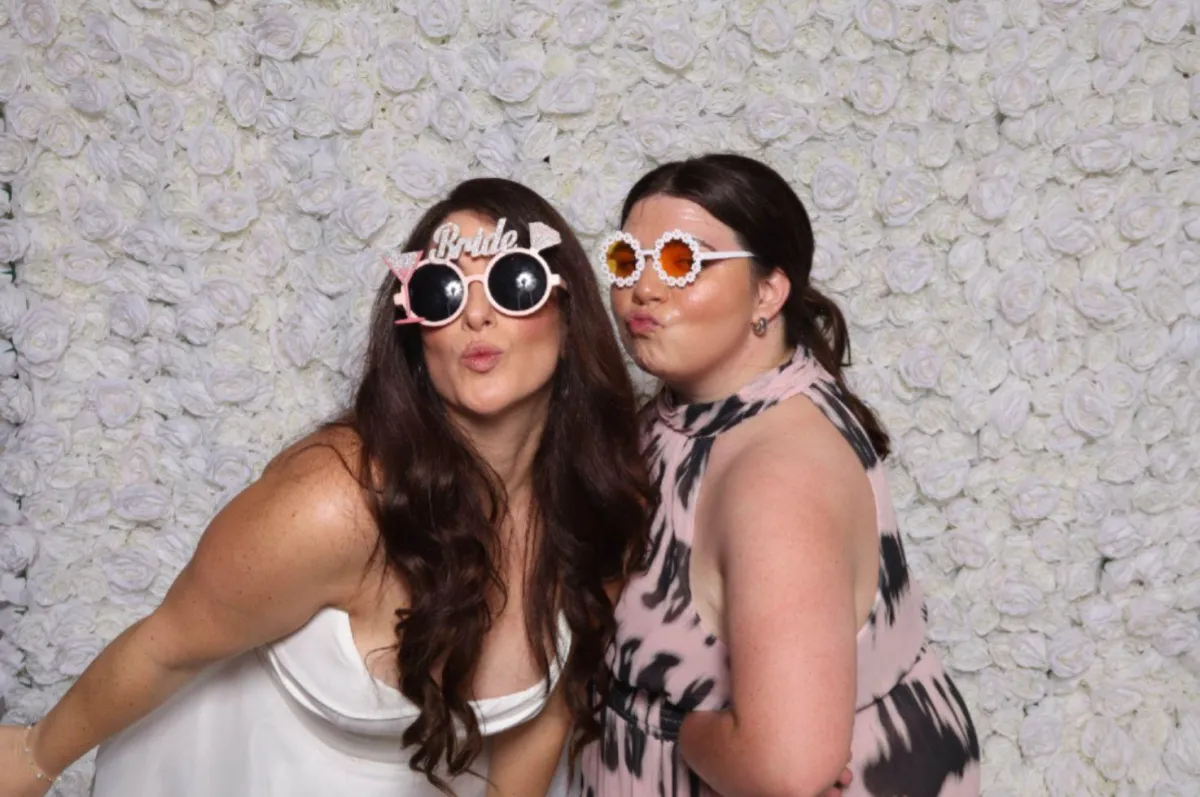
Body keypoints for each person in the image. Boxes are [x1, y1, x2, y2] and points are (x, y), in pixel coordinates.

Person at [0, 178, 652, 797]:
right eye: (440, 293)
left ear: (569, 318)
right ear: (415, 334)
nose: (476, 315)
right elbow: (165, 646)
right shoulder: (336, 501)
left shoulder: (596, 507)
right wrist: (34, 758)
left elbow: (546, 718)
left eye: (514, 284)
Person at [578, 154, 981, 797]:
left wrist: (679, 731)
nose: (643, 288)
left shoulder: (776, 477)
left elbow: (786, 768)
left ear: (768, 292)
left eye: (682, 261)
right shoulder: (694, 413)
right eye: (627, 260)